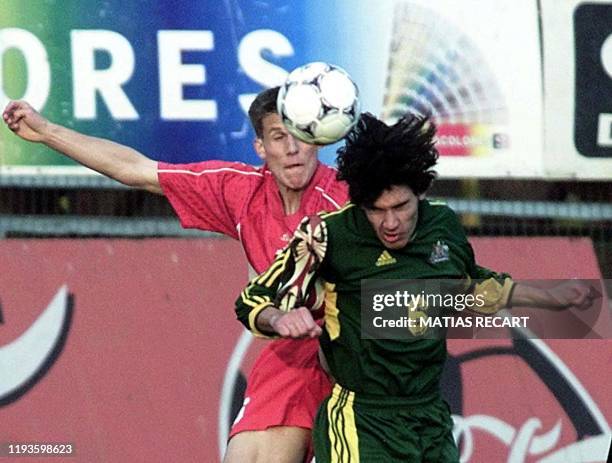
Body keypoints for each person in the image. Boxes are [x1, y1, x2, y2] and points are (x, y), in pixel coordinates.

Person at [3, 88, 349, 463]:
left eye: (300, 134)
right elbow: (134, 169)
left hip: (363, 355)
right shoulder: (239, 190)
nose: (293, 148)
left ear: (318, 137)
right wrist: (48, 132)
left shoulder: (349, 199)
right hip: (294, 356)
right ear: (260, 148)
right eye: (279, 137)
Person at [235, 113, 597, 462]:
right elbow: (252, 300)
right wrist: (278, 318)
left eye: (401, 206)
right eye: (376, 210)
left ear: (419, 192)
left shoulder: (443, 225)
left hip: (429, 417)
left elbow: (468, 289)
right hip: (362, 419)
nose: (390, 222)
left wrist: (547, 297)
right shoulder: (327, 234)